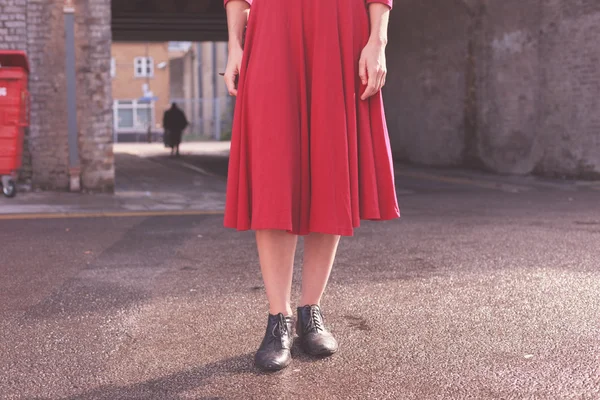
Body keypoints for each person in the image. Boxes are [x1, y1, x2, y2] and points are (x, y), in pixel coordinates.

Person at [223, 0, 400, 371]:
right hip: (272, 26)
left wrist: (377, 42)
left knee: (329, 167)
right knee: (273, 169)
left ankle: (310, 310)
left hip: (339, 24)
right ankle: (279, 319)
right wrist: (234, 45)